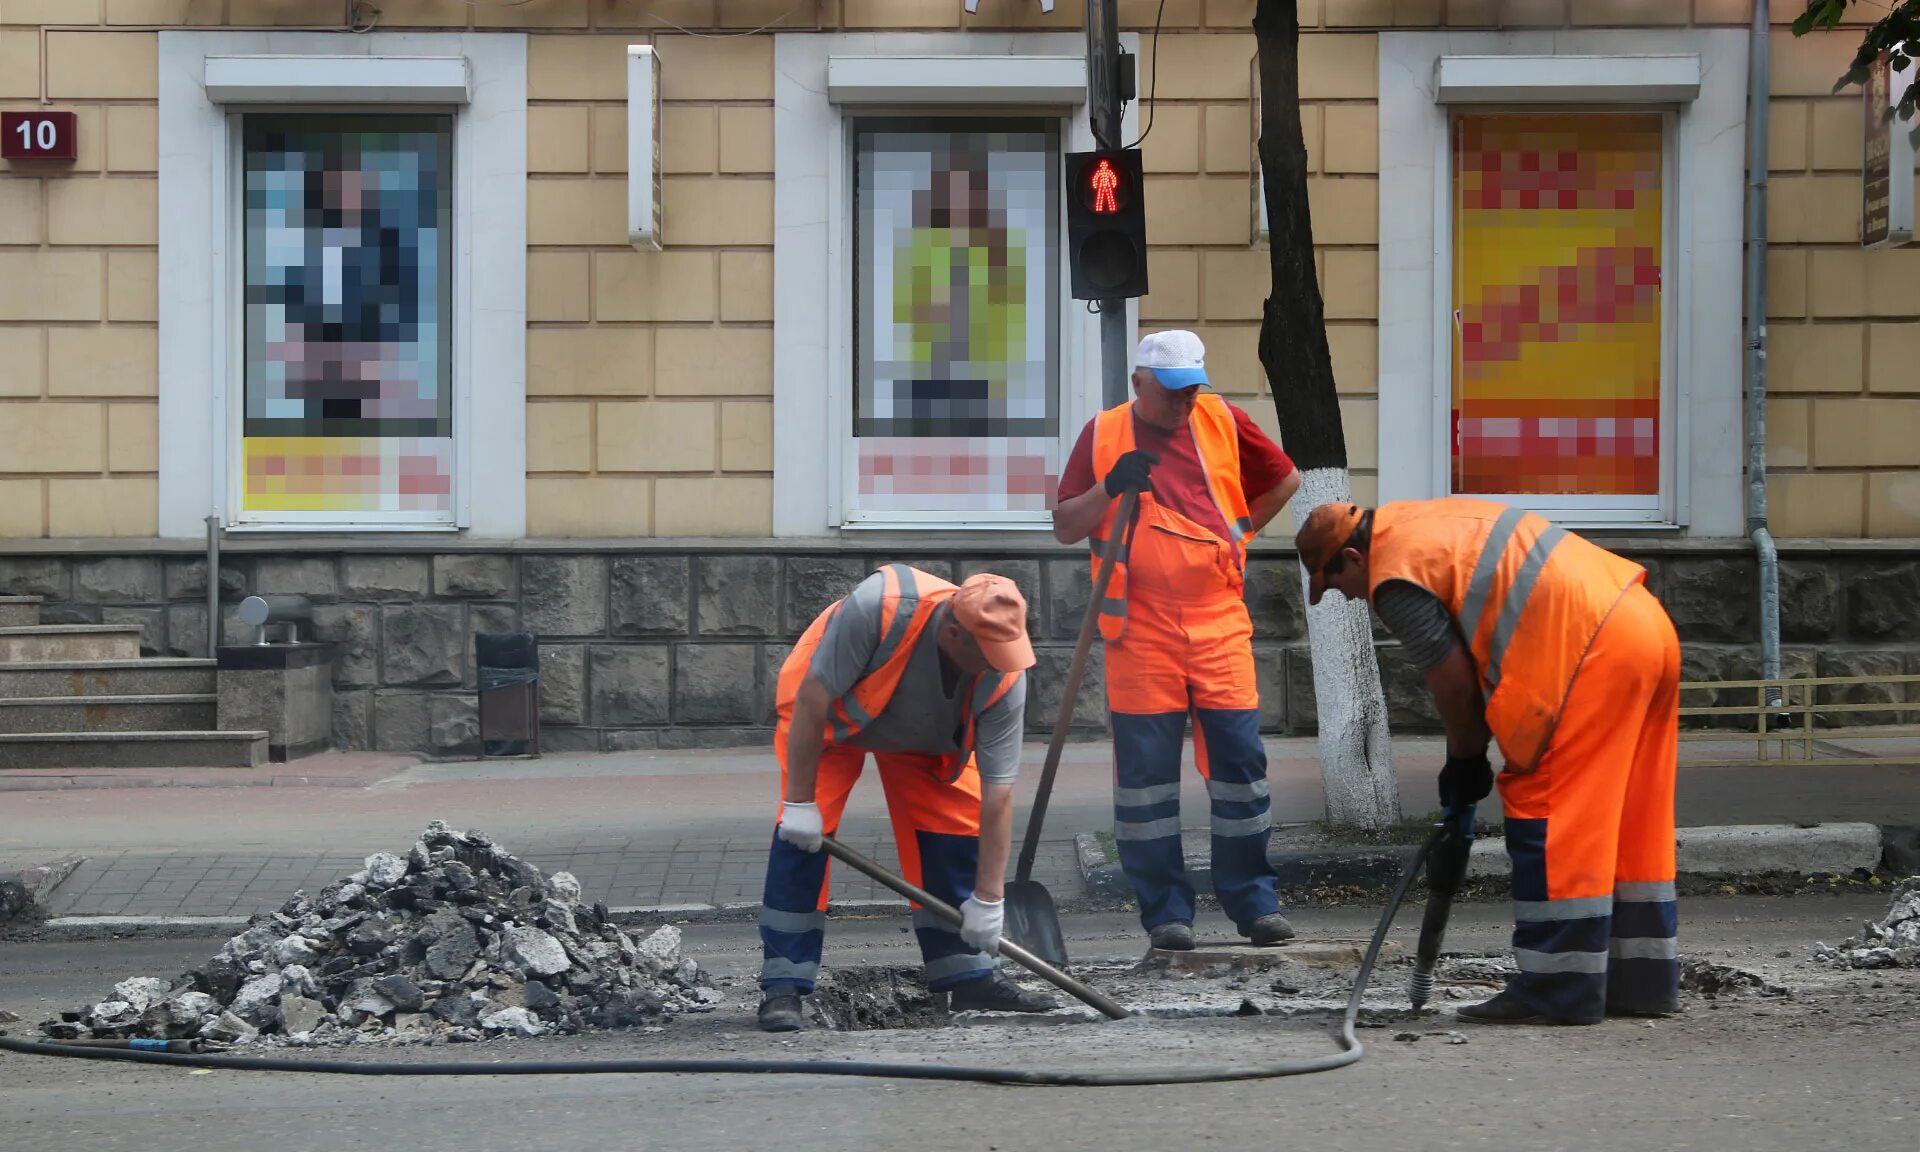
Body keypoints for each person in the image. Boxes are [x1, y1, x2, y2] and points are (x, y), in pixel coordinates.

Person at [1294, 498, 1681, 1025]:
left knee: (1550, 808)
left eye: (1337, 585)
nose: (1349, 597)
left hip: (1587, 652)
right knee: (1631, 814)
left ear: (1355, 558)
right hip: (1645, 627)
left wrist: (1465, 758)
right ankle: (1643, 980)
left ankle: (1558, 988)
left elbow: (1452, 683)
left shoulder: (1394, 574)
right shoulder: (1427, 522)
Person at [1051, 330, 1303, 952]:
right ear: (1139, 383)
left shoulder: (1222, 418)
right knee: (1146, 785)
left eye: (1192, 390)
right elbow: (1063, 526)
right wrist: (1109, 487)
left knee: (1241, 770)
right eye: (1171, 394)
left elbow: (1287, 479)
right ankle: (1166, 913)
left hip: (1218, 620)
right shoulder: (1103, 433)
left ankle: (1255, 904)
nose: (1184, 404)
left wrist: (1235, 534)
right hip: (1139, 629)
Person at [756, 565, 1061, 1032]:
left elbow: (999, 794)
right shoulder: (878, 609)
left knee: (953, 836)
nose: (998, 664)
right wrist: (800, 803)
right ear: (953, 632)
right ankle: (784, 987)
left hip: (927, 739)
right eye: (988, 653)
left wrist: (989, 898)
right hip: (829, 723)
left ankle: (968, 975)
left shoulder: (1006, 674)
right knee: (801, 843)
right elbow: (813, 699)